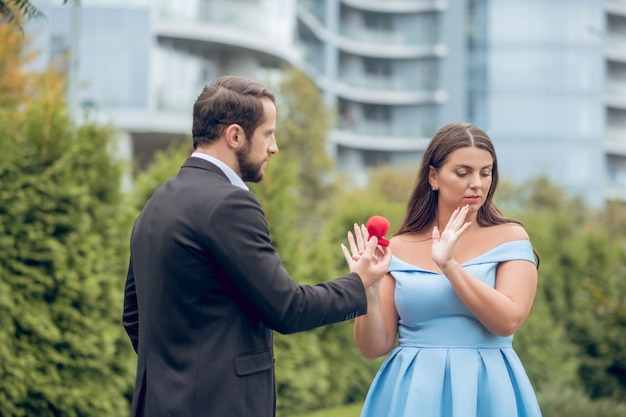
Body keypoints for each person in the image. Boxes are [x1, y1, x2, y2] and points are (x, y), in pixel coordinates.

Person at [122, 75, 391, 417]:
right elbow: (288, 309)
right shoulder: (231, 205)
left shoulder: (157, 202)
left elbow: (133, 316)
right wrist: (359, 282)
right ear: (235, 135)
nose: (274, 147)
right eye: (268, 134)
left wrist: (177, 378)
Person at [344, 122, 542, 417]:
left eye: (485, 173)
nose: (477, 183)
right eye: (463, 173)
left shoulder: (511, 238)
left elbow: (507, 321)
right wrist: (368, 287)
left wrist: (449, 266)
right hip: (412, 394)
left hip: (488, 389)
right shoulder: (397, 248)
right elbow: (373, 347)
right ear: (433, 176)